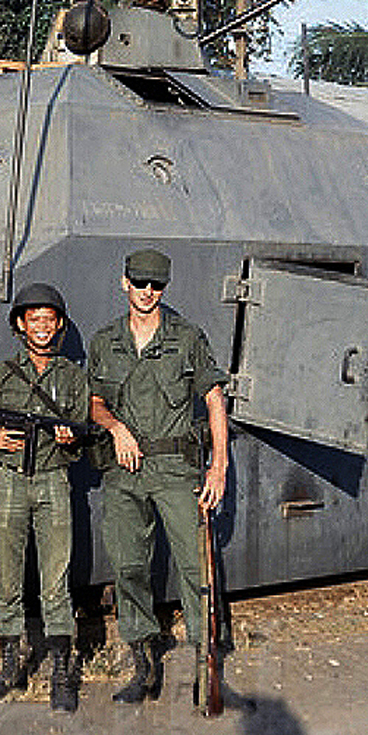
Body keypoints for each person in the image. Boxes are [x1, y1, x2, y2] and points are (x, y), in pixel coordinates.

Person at [88, 248, 229, 703]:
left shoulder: (187, 337)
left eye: (157, 285)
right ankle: (143, 666)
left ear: (164, 288)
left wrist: (219, 466)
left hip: (176, 470)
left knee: (196, 569)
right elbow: (94, 402)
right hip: (124, 472)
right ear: (123, 283)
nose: (148, 292)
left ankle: (206, 668)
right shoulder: (105, 340)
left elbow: (213, 402)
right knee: (129, 567)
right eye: (140, 282)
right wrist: (116, 428)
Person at [0, 283, 90, 712]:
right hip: (9, 482)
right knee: (7, 581)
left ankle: (62, 674)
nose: (42, 327)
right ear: (20, 326)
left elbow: (81, 438)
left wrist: (68, 438)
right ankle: (9, 668)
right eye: (34, 320)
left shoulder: (72, 378)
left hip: (53, 482)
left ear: (59, 325)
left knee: (56, 584)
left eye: (50, 320)